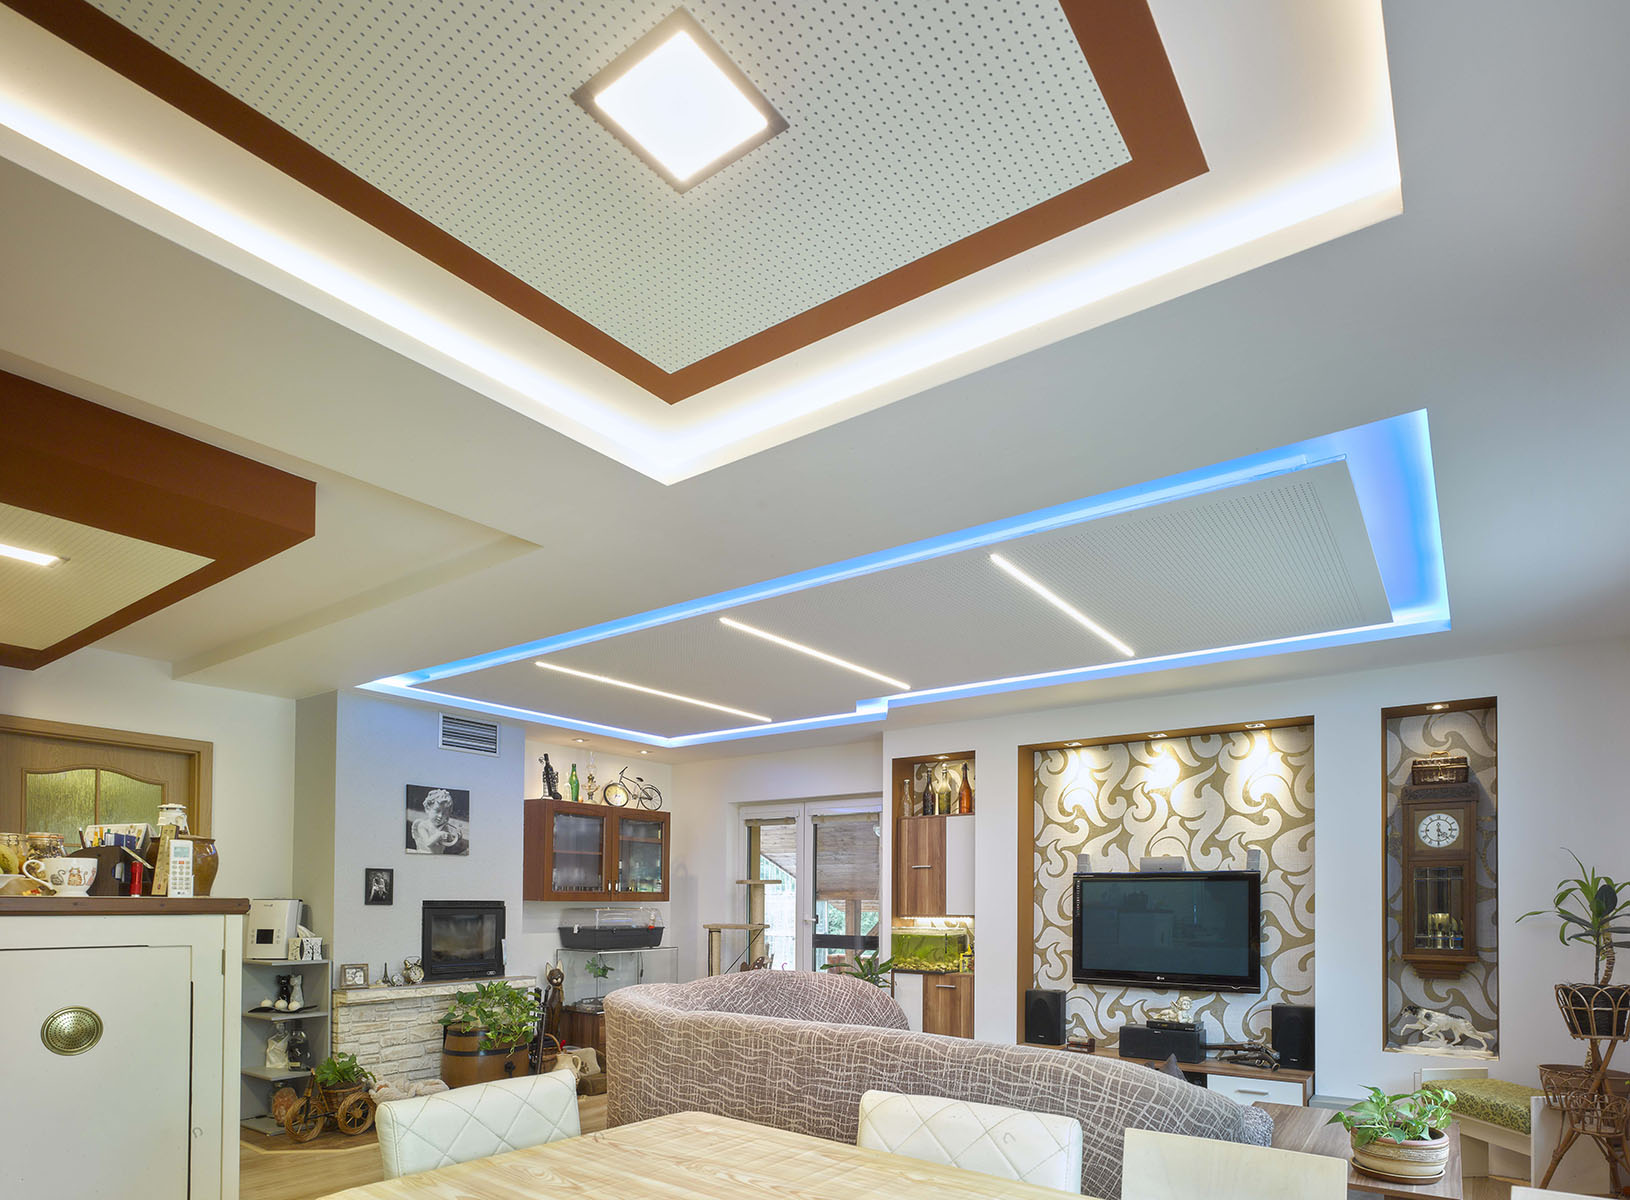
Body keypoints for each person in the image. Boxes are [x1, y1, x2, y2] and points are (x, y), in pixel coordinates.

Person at [408, 788, 467, 854]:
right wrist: (439, 834)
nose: (440, 816)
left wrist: (457, 838)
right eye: (437, 811)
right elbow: (428, 843)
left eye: (444, 813)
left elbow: (449, 842)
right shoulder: (423, 826)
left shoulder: (444, 827)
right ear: (427, 809)